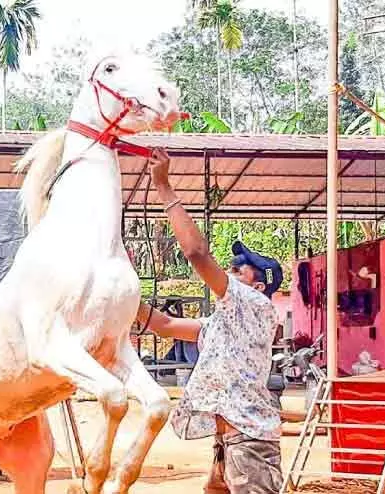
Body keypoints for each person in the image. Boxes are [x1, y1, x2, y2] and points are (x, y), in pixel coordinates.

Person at [136, 148, 284, 494]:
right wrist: (125, 292)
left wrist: (164, 186)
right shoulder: (226, 321)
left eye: (238, 269)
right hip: (230, 442)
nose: (229, 272)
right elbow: (164, 326)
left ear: (258, 285)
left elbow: (197, 254)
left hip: (248, 443)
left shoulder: (255, 305)